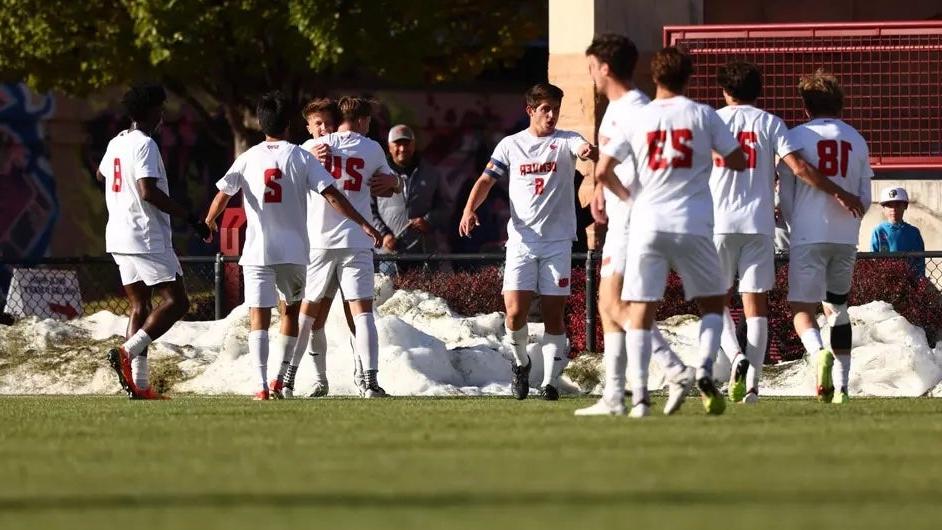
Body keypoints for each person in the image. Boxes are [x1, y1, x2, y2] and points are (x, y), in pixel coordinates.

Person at [595, 47, 748, 417]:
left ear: (655, 77)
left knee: (640, 312)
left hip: (647, 222)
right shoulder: (703, 114)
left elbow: (603, 171)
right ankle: (707, 368)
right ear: (689, 77)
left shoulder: (639, 117)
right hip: (694, 221)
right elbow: (738, 160)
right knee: (713, 304)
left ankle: (642, 401)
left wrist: (629, 198)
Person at [202, 91, 382, 400]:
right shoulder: (304, 156)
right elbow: (333, 194)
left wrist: (209, 220)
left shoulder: (254, 156)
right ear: (291, 125)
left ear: (261, 124)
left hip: (262, 251)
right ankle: (286, 380)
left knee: (263, 318)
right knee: (304, 314)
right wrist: (363, 222)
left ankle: (267, 384)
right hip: (298, 251)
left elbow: (223, 193)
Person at [709, 61, 865, 404]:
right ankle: (753, 385)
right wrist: (840, 193)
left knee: (716, 300)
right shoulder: (771, 123)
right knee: (758, 306)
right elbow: (798, 168)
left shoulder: (710, 121)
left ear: (724, 90)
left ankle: (736, 358)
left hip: (719, 223)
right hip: (760, 224)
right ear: (758, 91)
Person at [574, 34, 695, 417]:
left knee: (615, 302)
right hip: (621, 220)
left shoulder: (634, 109)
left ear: (605, 68)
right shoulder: (618, 108)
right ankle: (615, 395)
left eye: (592, 66)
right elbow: (615, 165)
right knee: (607, 306)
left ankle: (675, 369)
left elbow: (638, 169)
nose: (590, 74)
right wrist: (599, 192)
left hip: (633, 222)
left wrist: (625, 199)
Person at [459, 83, 597, 401]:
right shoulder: (511, 145)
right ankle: (521, 363)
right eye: (545, 109)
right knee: (515, 312)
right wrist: (469, 209)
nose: (551, 115)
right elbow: (486, 179)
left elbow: (582, 148)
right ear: (530, 110)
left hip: (558, 241)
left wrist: (587, 151)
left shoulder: (566, 140)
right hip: (521, 241)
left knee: (552, 312)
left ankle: (550, 382)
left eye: (555, 109)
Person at [282, 96, 400, 399]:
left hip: (318, 242)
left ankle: (288, 380)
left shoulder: (310, 148)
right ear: (362, 120)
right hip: (355, 241)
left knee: (307, 315)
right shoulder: (372, 147)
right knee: (362, 314)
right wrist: (394, 183)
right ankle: (370, 382)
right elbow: (392, 182)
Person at [98, 83, 210, 400]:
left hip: (118, 234)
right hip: (145, 235)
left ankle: (141, 385)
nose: (163, 114)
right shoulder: (145, 144)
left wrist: (120, 198)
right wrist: (191, 218)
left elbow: (102, 175)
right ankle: (126, 351)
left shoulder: (117, 142)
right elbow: (148, 191)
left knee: (140, 306)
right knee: (178, 301)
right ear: (149, 111)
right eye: (160, 107)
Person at [778, 70, 872, 404]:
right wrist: (851, 224)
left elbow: (785, 195)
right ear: (840, 104)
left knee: (801, 307)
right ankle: (844, 386)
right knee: (839, 308)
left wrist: (794, 226)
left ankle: (820, 356)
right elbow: (865, 195)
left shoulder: (794, 137)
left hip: (807, 233)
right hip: (845, 235)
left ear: (806, 106)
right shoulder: (857, 139)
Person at [371, 124, 444, 273]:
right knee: (386, 293)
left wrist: (429, 221)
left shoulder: (432, 173)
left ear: (414, 144)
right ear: (389, 147)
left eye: (407, 143)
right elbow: (368, 208)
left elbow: (446, 205)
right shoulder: (376, 174)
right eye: (398, 144)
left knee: (426, 295)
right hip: (388, 253)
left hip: (424, 251)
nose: (403, 149)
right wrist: (383, 234)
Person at [871, 187, 926, 277]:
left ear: (905, 206)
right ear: (883, 208)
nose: (893, 209)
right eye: (889, 205)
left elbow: (920, 261)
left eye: (897, 205)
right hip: (885, 280)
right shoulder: (878, 231)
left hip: (909, 279)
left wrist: (919, 280)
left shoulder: (914, 232)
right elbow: (873, 260)